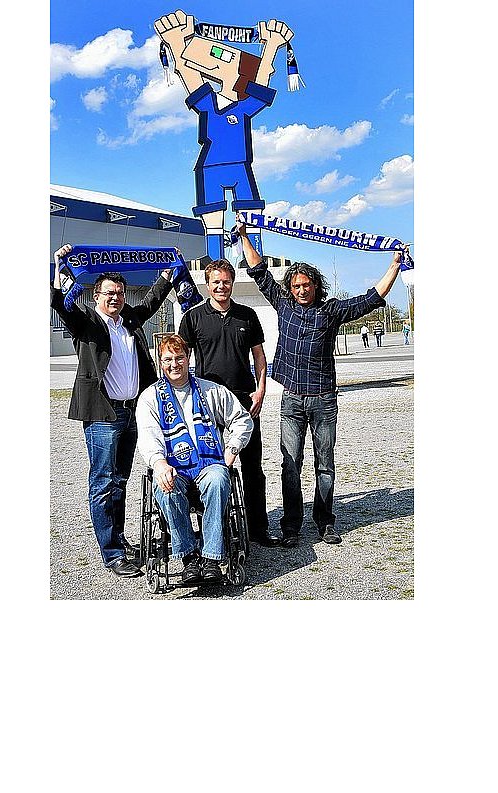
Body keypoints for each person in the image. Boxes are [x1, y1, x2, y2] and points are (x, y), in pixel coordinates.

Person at [236, 220, 403, 546]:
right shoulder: (283, 304)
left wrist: (395, 265)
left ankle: (325, 522)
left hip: (324, 400)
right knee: (290, 465)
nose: (301, 290)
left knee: (325, 465)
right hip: (291, 400)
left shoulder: (331, 311)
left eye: (306, 285)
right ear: (290, 288)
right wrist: (243, 236)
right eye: (296, 286)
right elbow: (259, 272)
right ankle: (291, 526)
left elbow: (371, 299)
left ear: (316, 285)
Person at [51, 243, 174, 577]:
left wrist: (168, 271)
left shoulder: (128, 320)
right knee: (103, 482)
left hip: (132, 412)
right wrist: (59, 264)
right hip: (104, 415)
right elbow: (58, 302)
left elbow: (151, 302)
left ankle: (118, 539)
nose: (116, 298)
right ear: (96, 296)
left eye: (119, 293)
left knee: (120, 479)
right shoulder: (86, 321)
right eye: (109, 293)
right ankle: (112, 553)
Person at [155, 10, 292, 259]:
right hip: (210, 166)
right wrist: (175, 42)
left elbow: (261, 81)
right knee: (212, 213)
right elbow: (189, 74)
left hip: (240, 164)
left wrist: (271, 46)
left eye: (224, 57)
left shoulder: (244, 107)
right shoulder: (208, 103)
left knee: (250, 209)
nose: (215, 62)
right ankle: (215, 258)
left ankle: (254, 255)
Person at [178, 258, 280, 547]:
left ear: (232, 283)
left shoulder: (247, 315)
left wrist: (260, 390)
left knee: (252, 468)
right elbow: (180, 359)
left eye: (226, 281)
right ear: (207, 284)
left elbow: (259, 357)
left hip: (245, 401)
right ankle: (216, 529)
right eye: (216, 282)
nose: (221, 286)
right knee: (211, 467)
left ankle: (258, 528)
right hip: (206, 404)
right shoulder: (193, 318)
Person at [136, 334, 253, 584]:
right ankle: (189, 558)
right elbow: (148, 436)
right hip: (173, 467)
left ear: (188, 358)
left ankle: (211, 558)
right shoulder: (150, 397)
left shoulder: (210, 390)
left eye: (179, 357)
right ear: (160, 362)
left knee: (218, 478)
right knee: (165, 488)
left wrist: (232, 449)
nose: (174, 364)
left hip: (209, 464)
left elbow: (242, 419)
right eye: (168, 359)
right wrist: (159, 463)